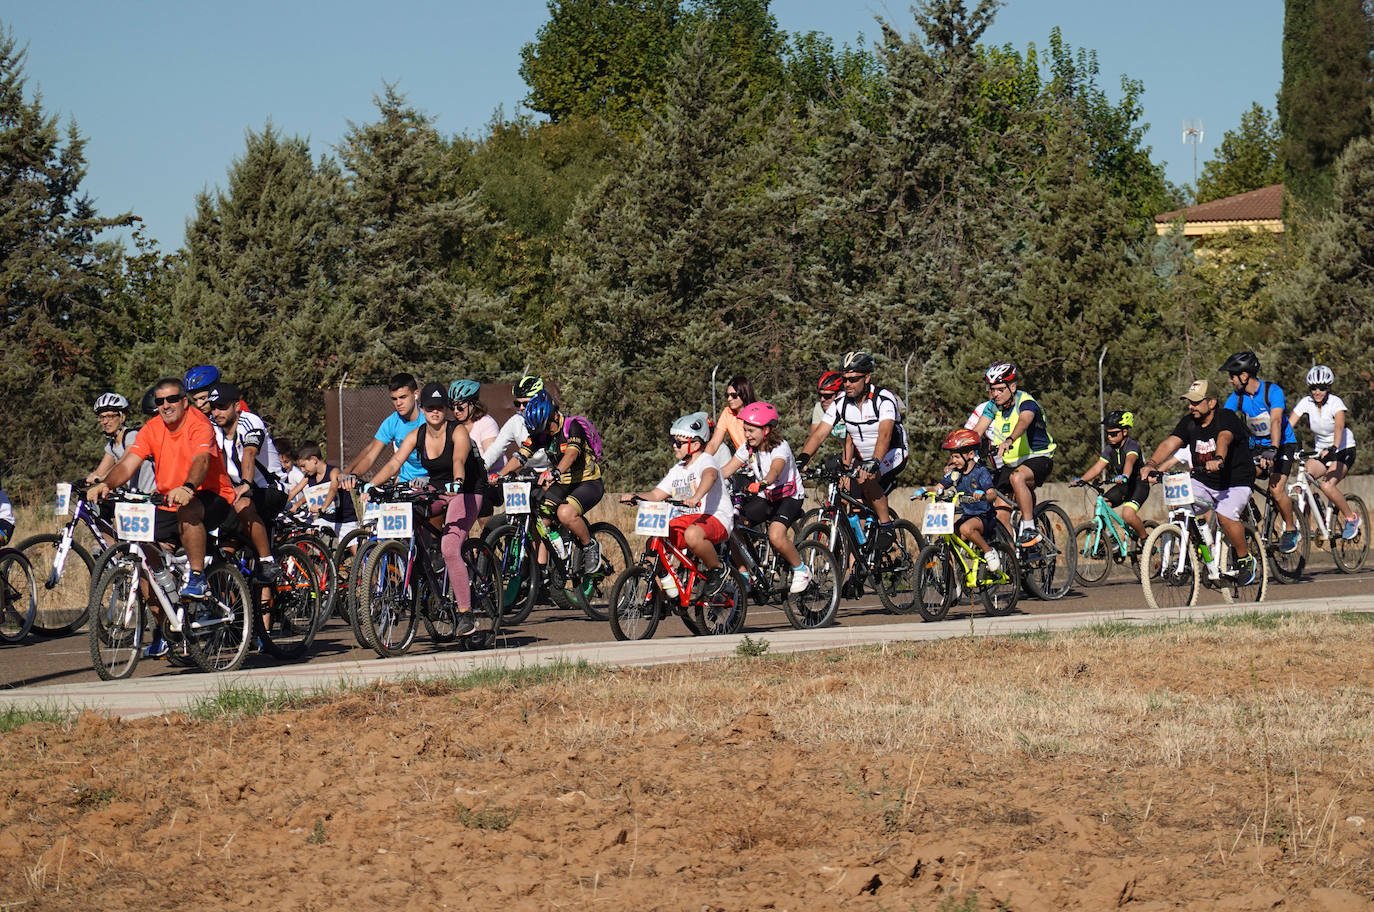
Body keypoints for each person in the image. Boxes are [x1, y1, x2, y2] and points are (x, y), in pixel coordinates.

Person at [88, 378, 239, 655]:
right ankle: (164, 591)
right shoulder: (152, 428)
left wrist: (189, 487)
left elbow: (201, 461)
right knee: (139, 541)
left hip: (210, 494)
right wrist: (107, 484)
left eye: (171, 399)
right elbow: (130, 463)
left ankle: (196, 577)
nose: (166, 405)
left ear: (184, 400)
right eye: (160, 402)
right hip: (169, 499)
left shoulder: (198, 424)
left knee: (188, 509)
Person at [364, 383, 486, 635]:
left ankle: (466, 614)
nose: (435, 412)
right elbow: (395, 462)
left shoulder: (457, 431)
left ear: (446, 409)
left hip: (466, 490)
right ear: (423, 408)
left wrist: (458, 482)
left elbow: (458, 460)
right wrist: (371, 486)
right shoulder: (417, 434)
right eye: (430, 407)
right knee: (410, 516)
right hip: (437, 489)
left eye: (440, 407)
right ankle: (431, 573)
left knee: (450, 546)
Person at [1141, 380, 1257, 583]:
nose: (1190, 406)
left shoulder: (1226, 418)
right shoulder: (1189, 422)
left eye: (1195, 402)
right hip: (1204, 480)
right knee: (1180, 507)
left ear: (1211, 402)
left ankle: (1244, 558)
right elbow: (1170, 442)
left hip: (1235, 481)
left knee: (1225, 516)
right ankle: (1192, 552)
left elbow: (1224, 438)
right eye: (1189, 402)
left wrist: (1219, 459)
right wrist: (1151, 463)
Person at [800, 351, 907, 550]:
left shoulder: (884, 399)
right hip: (864, 457)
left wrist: (875, 461)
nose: (848, 384)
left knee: (867, 479)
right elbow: (819, 434)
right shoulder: (840, 403)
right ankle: (858, 561)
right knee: (851, 500)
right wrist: (802, 459)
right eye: (845, 379)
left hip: (892, 453)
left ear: (867, 378)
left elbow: (884, 435)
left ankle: (886, 525)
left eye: (853, 379)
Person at [621, 411, 733, 596]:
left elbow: (710, 476)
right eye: (673, 441)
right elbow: (657, 494)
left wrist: (697, 496)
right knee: (654, 543)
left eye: (679, 443)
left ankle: (718, 570)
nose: (674, 446)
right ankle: (661, 595)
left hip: (715, 516)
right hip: (690, 519)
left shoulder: (706, 460)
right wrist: (636, 497)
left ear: (695, 444)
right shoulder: (678, 469)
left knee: (692, 535)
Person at [494, 390, 604, 574]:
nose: (544, 433)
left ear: (553, 415)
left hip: (587, 482)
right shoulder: (541, 432)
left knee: (565, 513)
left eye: (546, 428)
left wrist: (556, 471)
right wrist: (500, 474)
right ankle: (546, 568)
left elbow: (571, 454)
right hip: (562, 482)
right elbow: (522, 455)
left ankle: (589, 545)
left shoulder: (572, 426)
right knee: (539, 518)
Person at [719, 401, 811, 594]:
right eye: (745, 430)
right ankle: (744, 576)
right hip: (766, 496)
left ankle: (801, 570)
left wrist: (763, 482)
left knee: (775, 535)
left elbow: (775, 470)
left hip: (789, 497)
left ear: (766, 430)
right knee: (733, 527)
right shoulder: (748, 448)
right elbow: (726, 470)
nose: (746, 435)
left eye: (751, 431)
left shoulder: (780, 447)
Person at [206, 382, 285, 583]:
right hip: (237, 491)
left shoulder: (250, 422)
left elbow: (249, 454)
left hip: (270, 489)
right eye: (213, 407)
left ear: (237, 406)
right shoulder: (211, 427)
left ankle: (267, 561)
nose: (217, 412)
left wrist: (246, 483)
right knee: (221, 550)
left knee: (242, 503)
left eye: (223, 406)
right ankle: (233, 603)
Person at [969, 362, 1055, 548]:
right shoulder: (993, 406)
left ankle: (1030, 527)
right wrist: (959, 455)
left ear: (1013, 387)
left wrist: (1009, 439)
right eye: (992, 390)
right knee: (1000, 511)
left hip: (1038, 458)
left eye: (1000, 389)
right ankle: (1012, 559)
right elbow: (977, 431)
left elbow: (1023, 422)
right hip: (1011, 463)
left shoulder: (1026, 403)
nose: (995, 394)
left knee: (1017, 478)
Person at [1221, 351, 1299, 553]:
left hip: (1282, 444)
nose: (1230, 380)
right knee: (1238, 480)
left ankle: (1290, 529)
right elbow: (1224, 423)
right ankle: (1252, 516)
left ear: (1244, 376)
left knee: (1275, 489)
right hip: (1256, 446)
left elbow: (1275, 420)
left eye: (1232, 375)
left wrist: (1273, 449)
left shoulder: (1272, 391)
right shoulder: (1237, 398)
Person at [1289, 365, 1362, 539]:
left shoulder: (1336, 403)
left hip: (1343, 449)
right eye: (1313, 388)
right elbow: (1289, 424)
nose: (1317, 392)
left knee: (1327, 485)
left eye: (1322, 388)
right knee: (1304, 480)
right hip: (1320, 451)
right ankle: (1308, 527)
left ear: (1328, 387)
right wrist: (1276, 445)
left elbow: (1339, 426)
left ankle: (1351, 518)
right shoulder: (1306, 402)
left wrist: (1334, 448)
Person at [926, 428, 1001, 580]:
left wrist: (983, 495)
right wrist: (924, 490)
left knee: (965, 528)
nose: (953, 460)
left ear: (970, 455)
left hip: (985, 517)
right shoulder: (956, 473)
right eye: (951, 456)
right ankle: (953, 584)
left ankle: (988, 551)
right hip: (967, 516)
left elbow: (992, 494)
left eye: (956, 456)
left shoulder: (981, 472)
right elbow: (939, 487)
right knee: (948, 540)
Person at [1069, 410, 1149, 543]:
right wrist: (1082, 480)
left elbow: (1130, 461)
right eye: (1107, 433)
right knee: (1100, 505)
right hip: (1123, 486)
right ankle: (1102, 541)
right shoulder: (1109, 449)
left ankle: (1145, 538)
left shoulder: (1132, 445)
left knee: (1128, 515)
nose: (1109, 437)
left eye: (1113, 433)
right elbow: (1097, 467)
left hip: (1138, 485)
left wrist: (1125, 475)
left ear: (1124, 432)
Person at [342, 373, 425, 489]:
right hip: (405, 483)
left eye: (403, 397)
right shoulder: (391, 422)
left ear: (416, 394)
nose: (398, 403)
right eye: (394, 399)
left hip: (429, 481)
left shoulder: (429, 419)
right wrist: (354, 476)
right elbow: (370, 456)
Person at [85, 393, 157, 496]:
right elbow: (99, 472)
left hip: (153, 495)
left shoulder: (132, 435)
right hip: (135, 497)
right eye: (102, 417)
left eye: (110, 416)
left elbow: (124, 463)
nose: (105, 421)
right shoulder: (111, 446)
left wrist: (105, 478)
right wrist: (83, 481)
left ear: (122, 417)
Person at [286, 444, 359, 540]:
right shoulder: (309, 476)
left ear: (314, 460)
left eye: (303, 466)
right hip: (326, 519)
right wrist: (291, 504)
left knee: (356, 553)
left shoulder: (333, 471)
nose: (302, 470)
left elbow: (333, 489)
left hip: (345, 519)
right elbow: (294, 492)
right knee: (310, 533)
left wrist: (323, 507)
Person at [483, 375, 550, 473]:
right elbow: (495, 449)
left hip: (554, 470)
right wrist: (480, 469)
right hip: (529, 471)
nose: (521, 408)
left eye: (526, 404)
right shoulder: (515, 421)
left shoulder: (552, 419)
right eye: (518, 404)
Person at [705, 375, 755, 461]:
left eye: (734, 395)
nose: (729, 399)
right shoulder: (727, 413)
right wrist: (701, 463)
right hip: (741, 462)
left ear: (744, 394)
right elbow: (714, 443)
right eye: (727, 395)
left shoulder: (757, 412)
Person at [809, 371, 846, 443]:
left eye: (827, 396)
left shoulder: (850, 406)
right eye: (820, 395)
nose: (822, 400)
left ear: (840, 394)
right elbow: (814, 439)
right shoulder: (819, 407)